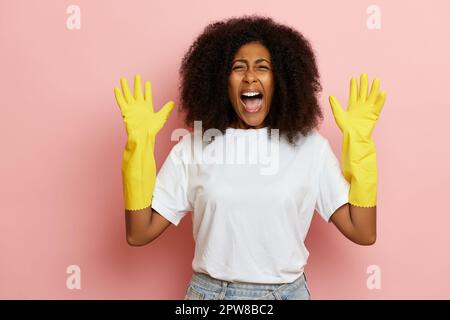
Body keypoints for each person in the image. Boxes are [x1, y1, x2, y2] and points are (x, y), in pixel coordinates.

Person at [113, 15, 386, 300]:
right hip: (211, 296)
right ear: (221, 81)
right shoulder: (192, 148)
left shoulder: (311, 148)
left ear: (281, 80)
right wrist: (139, 146)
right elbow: (139, 233)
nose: (250, 77)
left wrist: (360, 144)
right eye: (238, 67)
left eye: (263, 67)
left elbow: (363, 232)